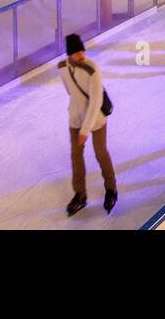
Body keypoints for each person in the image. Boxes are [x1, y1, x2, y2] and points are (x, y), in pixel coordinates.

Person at [59, 34, 118, 215]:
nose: (82, 55)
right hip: (76, 119)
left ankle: (111, 188)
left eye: (82, 50)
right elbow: (70, 91)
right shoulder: (62, 68)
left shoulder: (93, 69)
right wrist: (78, 119)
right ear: (70, 55)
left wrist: (85, 130)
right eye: (77, 52)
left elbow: (95, 101)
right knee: (76, 156)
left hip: (96, 118)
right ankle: (80, 194)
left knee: (100, 152)